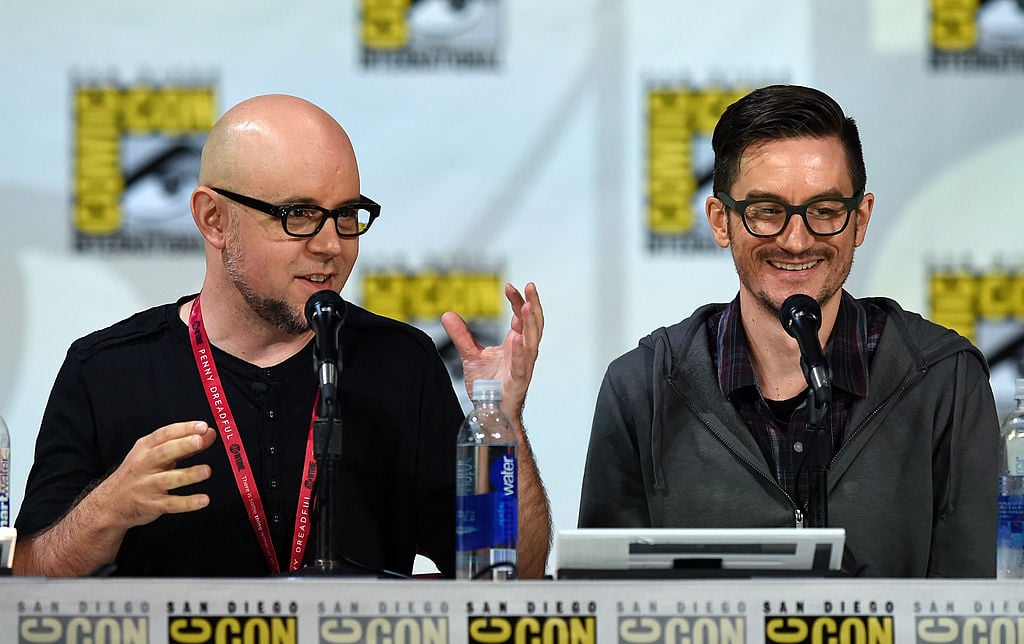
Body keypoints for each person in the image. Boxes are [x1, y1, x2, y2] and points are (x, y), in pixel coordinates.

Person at [13, 94, 550, 578]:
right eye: (298, 215)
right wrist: (106, 511)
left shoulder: (401, 362)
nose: (330, 245)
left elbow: (511, 577)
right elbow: (29, 578)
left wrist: (502, 422)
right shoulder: (106, 370)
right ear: (214, 218)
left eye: (345, 215)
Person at [578, 84, 998, 577]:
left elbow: (977, 607)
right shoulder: (641, 388)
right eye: (767, 212)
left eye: (824, 211)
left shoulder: (943, 379)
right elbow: (606, 603)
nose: (796, 241)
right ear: (721, 221)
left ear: (859, 220)